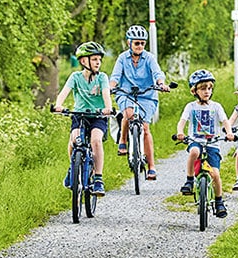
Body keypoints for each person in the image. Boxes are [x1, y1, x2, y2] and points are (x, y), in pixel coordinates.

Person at [109, 25, 170, 180]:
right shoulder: (122, 58)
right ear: (129, 43)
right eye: (136, 43)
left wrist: (161, 83)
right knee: (128, 113)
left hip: (147, 95)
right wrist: (111, 87)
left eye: (142, 43)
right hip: (126, 93)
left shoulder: (149, 58)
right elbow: (115, 76)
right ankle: (122, 141)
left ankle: (151, 167)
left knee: (145, 127)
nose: (140, 46)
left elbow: (157, 72)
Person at [53, 41, 114, 196]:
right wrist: (58, 105)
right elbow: (63, 93)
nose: (98, 63)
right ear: (83, 61)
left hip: (98, 116)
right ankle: (72, 168)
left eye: (99, 60)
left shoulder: (102, 78)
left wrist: (108, 108)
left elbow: (106, 94)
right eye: (94, 59)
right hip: (79, 115)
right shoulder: (75, 77)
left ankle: (98, 179)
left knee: (95, 140)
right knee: (74, 140)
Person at [174, 69, 234, 218]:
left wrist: (229, 132)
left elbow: (225, 121)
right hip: (196, 141)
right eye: (202, 88)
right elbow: (182, 121)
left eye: (209, 88)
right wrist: (180, 132)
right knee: (194, 152)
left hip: (213, 144)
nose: (207, 91)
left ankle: (219, 201)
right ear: (194, 91)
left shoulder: (216, 107)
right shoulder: (191, 107)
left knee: (215, 174)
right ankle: (189, 180)